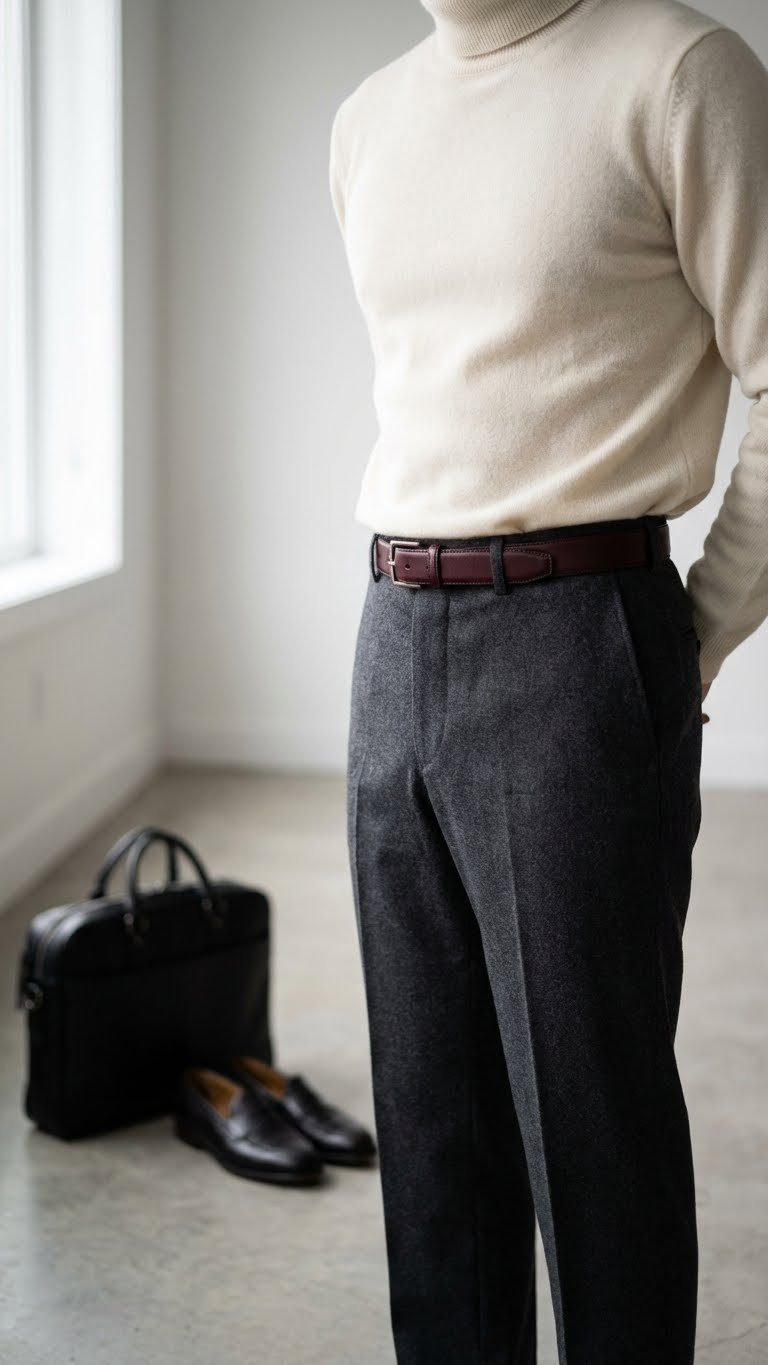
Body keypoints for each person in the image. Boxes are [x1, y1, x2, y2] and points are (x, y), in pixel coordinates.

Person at [328, 1, 768, 1361]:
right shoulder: (365, 122)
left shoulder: (676, 72)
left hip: (579, 633)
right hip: (393, 635)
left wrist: (686, 633)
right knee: (432, 1127)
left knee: (593, 1124)